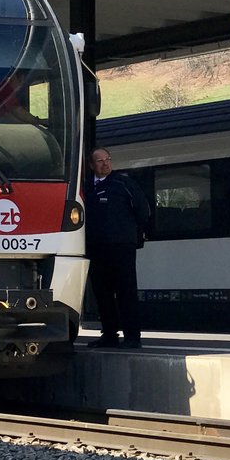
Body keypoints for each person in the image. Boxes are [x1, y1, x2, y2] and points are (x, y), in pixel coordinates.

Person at [85, 146, 151, 349]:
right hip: (96, 248)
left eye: (108, 159)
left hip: (122, 246)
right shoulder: (86, 188)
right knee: (102, 293)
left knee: (126, 291)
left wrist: (135, 234)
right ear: (91, 165)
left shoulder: (123, 184)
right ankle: (109, 334)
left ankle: (132, 336)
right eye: (100, 161)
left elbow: (143, 210)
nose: (105, 163)